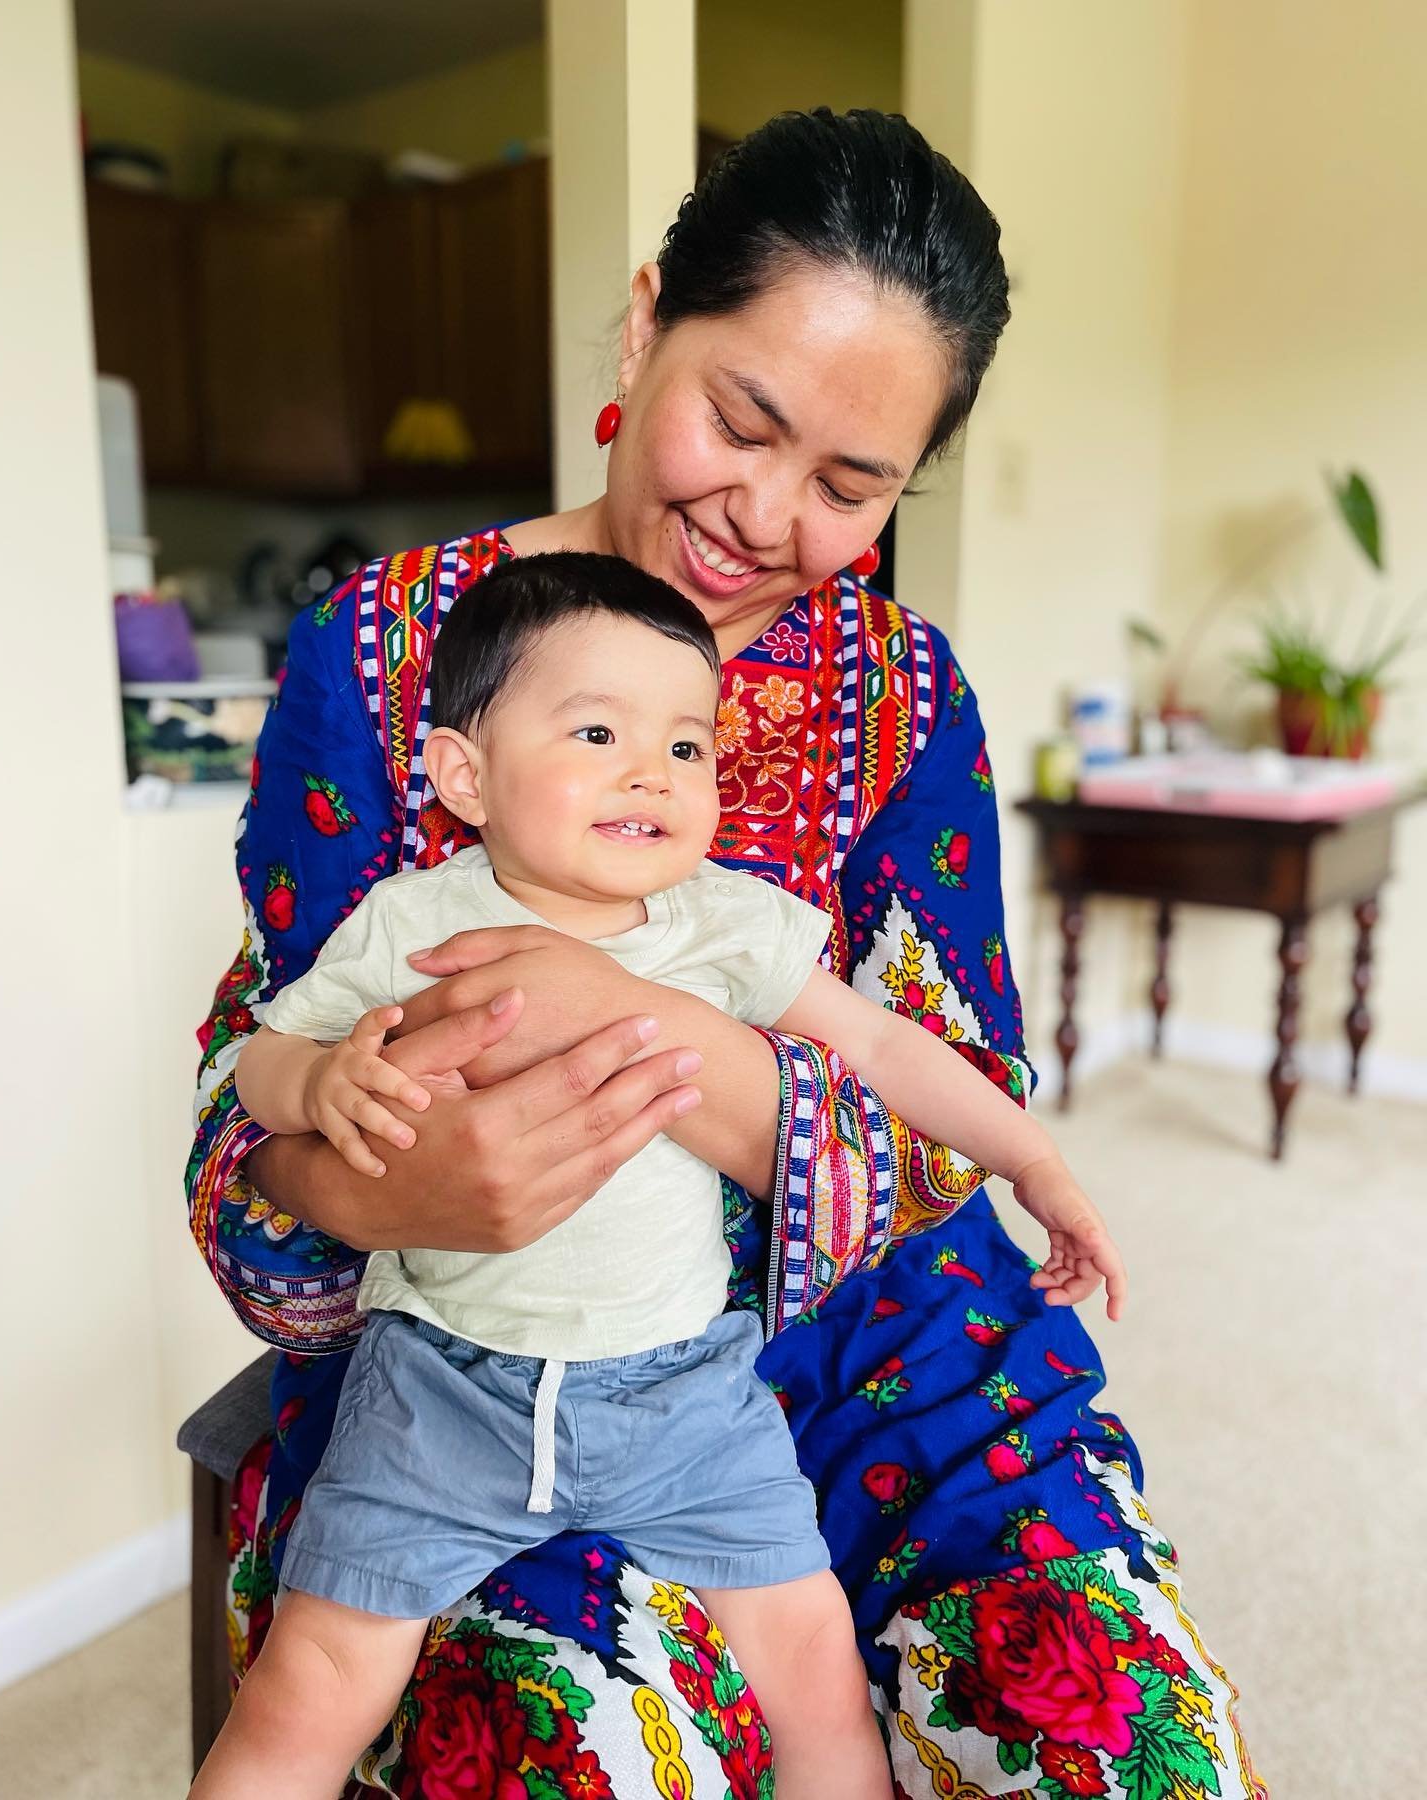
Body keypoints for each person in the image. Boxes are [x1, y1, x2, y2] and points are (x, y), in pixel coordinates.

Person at [189, 109, 1266, 1797]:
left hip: (898, 1357)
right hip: (488, 1365)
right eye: (738, 422)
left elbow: (954, 1099)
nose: (764, 515)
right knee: (583, 1751)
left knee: (1134, 1756)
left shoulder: (909, 698)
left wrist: (646, 1032)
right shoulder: (387, 658)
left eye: (850, 486)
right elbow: (242, 1108)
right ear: (644, 325)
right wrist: (397, 1190)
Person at [190, 553, 1128, 1800]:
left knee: (816, 1678)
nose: (653, 772)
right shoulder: (411, 927)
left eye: (689, 748)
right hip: (436, 1390)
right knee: (311, 1684)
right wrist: (315, 1086)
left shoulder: (726, 924)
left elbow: (893, 1047)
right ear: (464, 774)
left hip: (686, 1398)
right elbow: (261, 1053)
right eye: (597, 731)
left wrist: (1036, 1159)